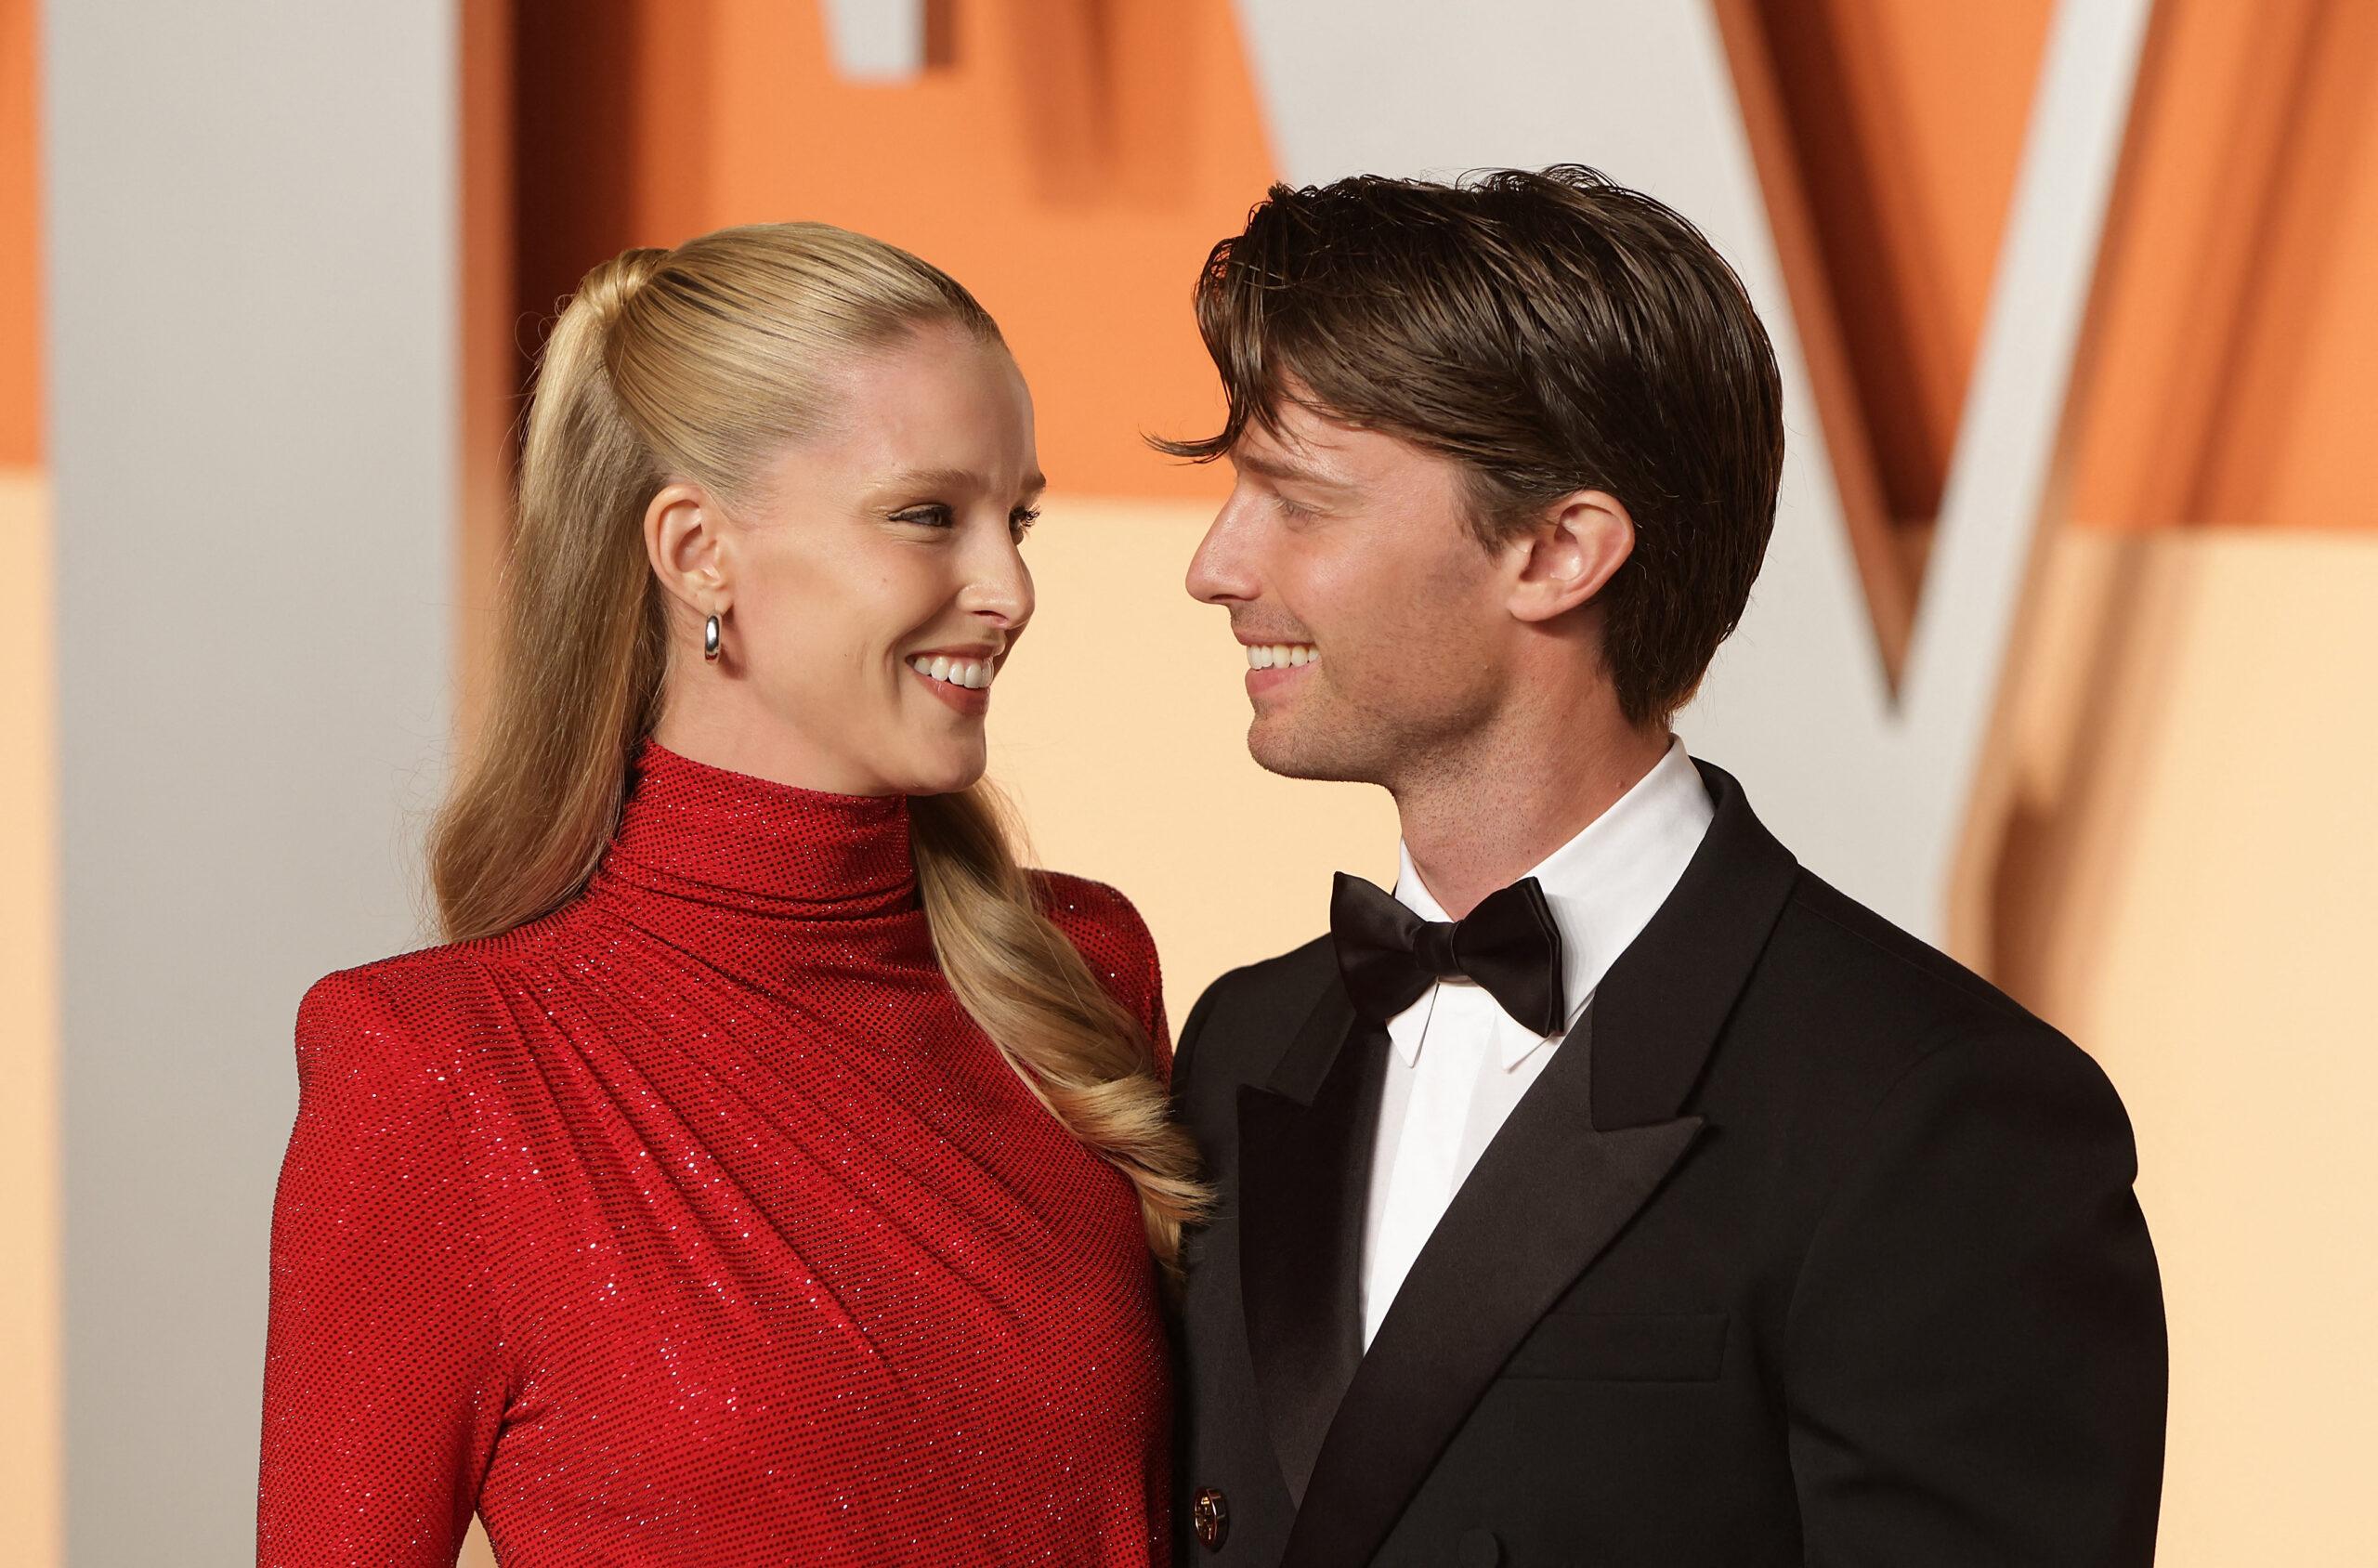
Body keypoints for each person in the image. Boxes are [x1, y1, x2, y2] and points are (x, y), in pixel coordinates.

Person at [1160, 167, 2166, 1567]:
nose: (1216, 567)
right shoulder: (1241, 1041)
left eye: (1297, 501)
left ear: (1560, 550)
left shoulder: (1937, 1114)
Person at [257, 223, 1200, 1566]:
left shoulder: (1083, 968)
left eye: (1020, 518)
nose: (1011, 590)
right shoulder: (436, 1074)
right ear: (697, 550)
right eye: (928, 515)